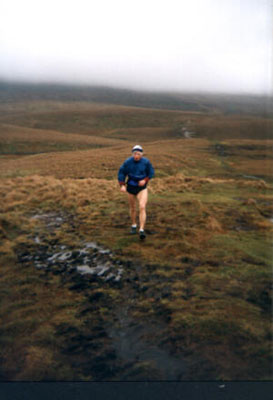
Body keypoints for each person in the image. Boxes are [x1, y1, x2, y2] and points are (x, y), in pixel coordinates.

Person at [118, 145, 154, 240]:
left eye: (138, 153)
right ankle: (134, 225)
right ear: (132, 154)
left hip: (142, 188)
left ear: (142, 154)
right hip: (131, 187)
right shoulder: (128, 162)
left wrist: (145, 180)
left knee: (142, 206)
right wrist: (122, 184)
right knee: (133, 208)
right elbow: (121, 172)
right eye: (134, 153)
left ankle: (141, 229)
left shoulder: (146, 162)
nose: (136, 155)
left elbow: (151, 172)